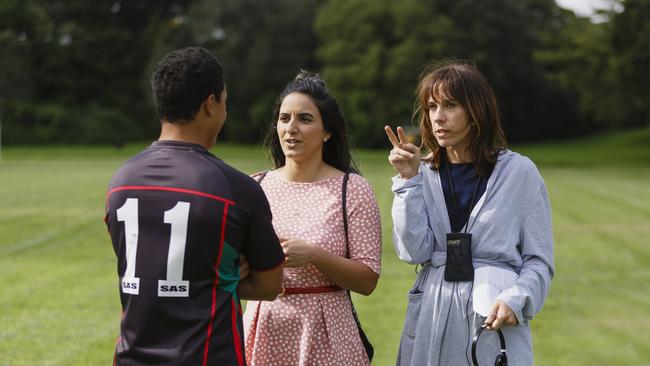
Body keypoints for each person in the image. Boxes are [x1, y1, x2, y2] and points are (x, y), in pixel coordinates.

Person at [104, 47, 284, 366]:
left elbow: (140, 270)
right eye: (224, 103)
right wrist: (221, 277)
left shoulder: (120, 182)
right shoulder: (237, 189)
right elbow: (268, 285)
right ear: (209, 104)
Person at [385, 60, 554, 365]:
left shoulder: (519, 174)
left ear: (476, 110)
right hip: (431, 321)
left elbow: (538, 261)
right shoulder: (422, 173)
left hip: (491, 324)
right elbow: (413, 251)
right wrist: (408, 181)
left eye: (450, 105)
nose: (438, 117)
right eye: (431, 107)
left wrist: (517, 300)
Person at [242, 71, 382, 366]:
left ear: (327, 131)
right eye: (284, 118)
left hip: (326, 334)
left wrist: (314, 255)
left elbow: (368, 279)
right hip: (262, 329)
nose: (291, 129)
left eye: (304, 119)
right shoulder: (255, 186)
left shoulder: (352, 189)